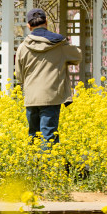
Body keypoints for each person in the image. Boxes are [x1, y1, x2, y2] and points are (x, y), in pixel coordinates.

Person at [14, 8, 82, 146]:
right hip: (51, 96)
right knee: (49, 136)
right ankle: (50, 160)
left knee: (33, 136)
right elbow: (78, 56)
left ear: (28, 25)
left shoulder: (22, 47)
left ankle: (34, 160)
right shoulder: (59, 44)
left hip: (31, 98)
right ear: (46, 21)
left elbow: (19, 76)